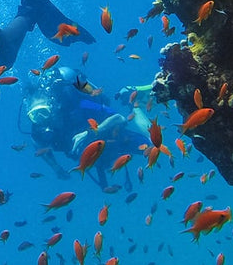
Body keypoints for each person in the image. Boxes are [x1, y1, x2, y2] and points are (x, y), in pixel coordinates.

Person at [21, 67, 153, 184]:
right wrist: (57, 168)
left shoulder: (79, 106)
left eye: (43, 112)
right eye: (34, 115)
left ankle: (133, 103)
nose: (41, 119)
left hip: (115, 137)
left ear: (53, 106)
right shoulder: (38, 130)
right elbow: (39, 147)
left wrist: (90, 132)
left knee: (153, 147)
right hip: (95, 157)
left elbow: (120, 118)